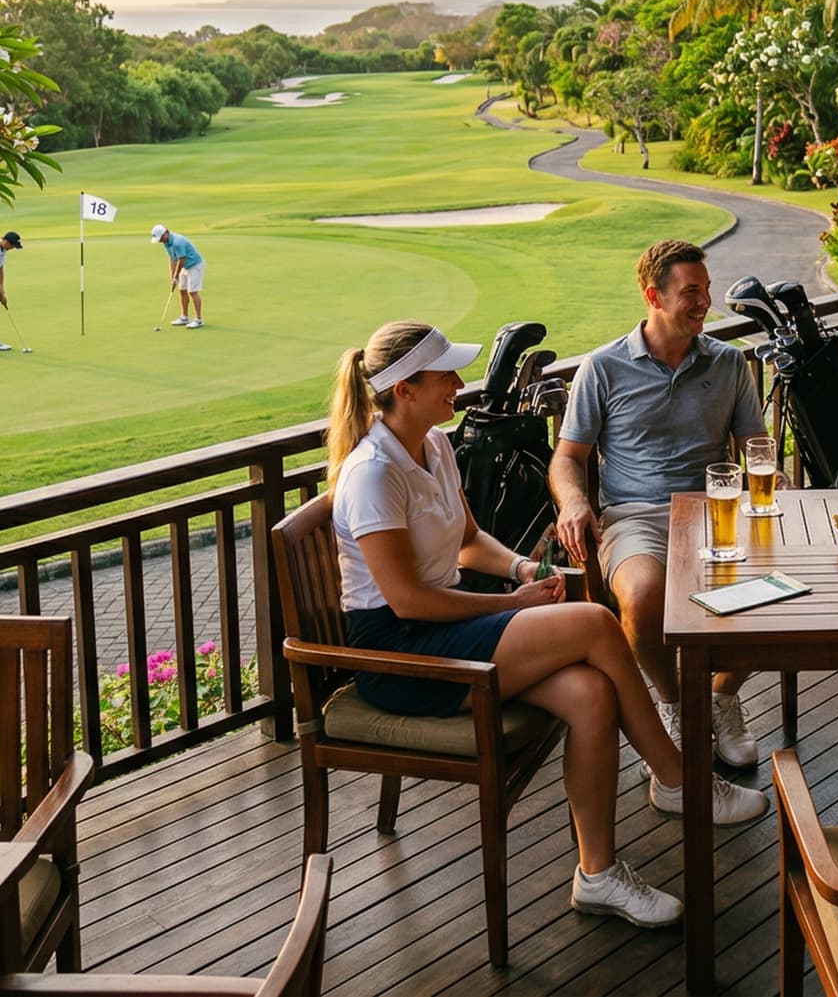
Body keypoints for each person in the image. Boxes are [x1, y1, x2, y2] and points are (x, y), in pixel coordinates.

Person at [326, 320, 767, 930]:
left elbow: (470, 541)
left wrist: (523, 567)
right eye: (446, 375)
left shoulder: (434, 447)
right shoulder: (374, 472)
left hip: (438, 630)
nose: (460, 383)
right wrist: (516, 603)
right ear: (405, 388)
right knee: (592, 623)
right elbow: (407, 603)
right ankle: (678, 778)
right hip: (402, 659)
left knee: (589, 695)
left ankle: (598, 875)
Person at [549, 240, 774, 783]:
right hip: (636, 517)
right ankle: (675, 704)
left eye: (706, 289)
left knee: (782, 595)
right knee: (644, 597)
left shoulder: (727, 363)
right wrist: (576, 501)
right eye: (690, 292)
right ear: (653, 296)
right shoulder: (602, 369)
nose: (705, 302)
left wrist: (773, 475)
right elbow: (568, 458)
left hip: (716, 513)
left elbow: (755, 444)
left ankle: (720, 697)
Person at [151, 223, 206, 329]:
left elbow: (181, 259)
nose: (160, 241)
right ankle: (184, 317)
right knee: (182, 289)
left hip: (195, 265)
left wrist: (176, 275)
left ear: (166, 233)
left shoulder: (177, 242)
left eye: (160, 238)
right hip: (185, 266)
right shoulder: (166, 242)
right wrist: (173, 278)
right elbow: (172, 258)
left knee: (192, 291)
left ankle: (198, 320)